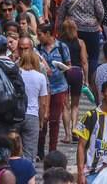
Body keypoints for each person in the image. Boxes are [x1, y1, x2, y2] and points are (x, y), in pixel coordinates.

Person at [56, 0, 104, 81]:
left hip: (73, 31)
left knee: (74, 56)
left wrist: (59, 31)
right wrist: (97, 23)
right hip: (92, 30)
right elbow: (101, 13)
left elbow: (60, 15)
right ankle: (91, 80)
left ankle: (75, 78)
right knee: (93, 56)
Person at [36, 24, 71, 157]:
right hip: (44, 89)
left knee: (55, 120)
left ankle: (52, 150)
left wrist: (63, 68)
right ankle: (40, 150)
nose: (38, 37)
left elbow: (69, 64)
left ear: (48, 34)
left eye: (40, 34)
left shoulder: (62, 47)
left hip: (59, 87)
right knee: (43, 119)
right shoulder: (38, 49)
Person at [58, 19, 88, 141]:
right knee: (75, 105)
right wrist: (86, 79)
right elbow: (84, 62)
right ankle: (75, 130)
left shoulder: (59, 43)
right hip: (76, 72)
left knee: (65, 105)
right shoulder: (80, 43)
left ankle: (67, 135)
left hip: (64, 72)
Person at [18, 48, 48, 161]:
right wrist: (41, 120)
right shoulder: (40, 77)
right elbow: (43, 103)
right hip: (32, 115)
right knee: (30, 151)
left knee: (14, 149)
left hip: (16, 114)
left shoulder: (17, 73)